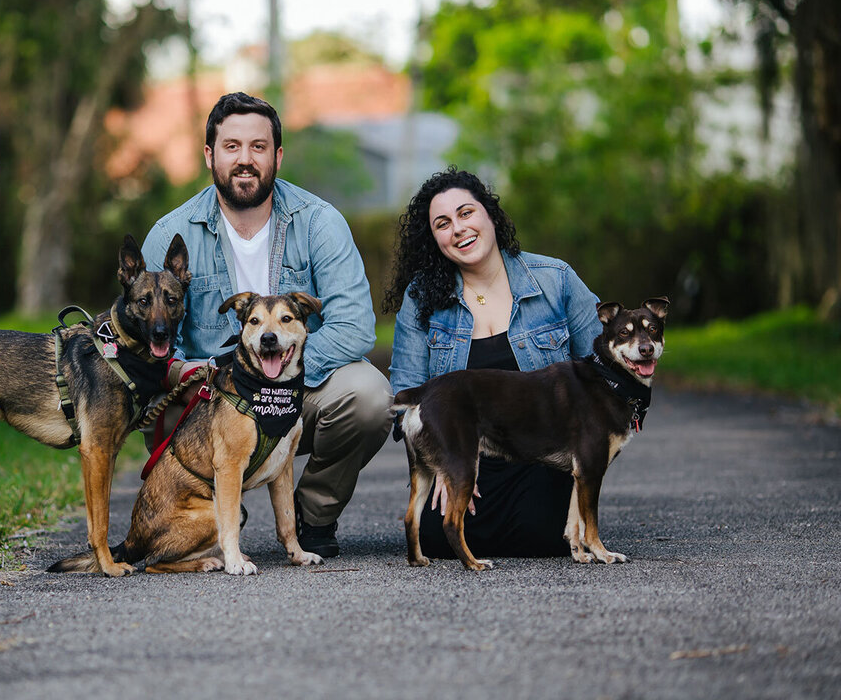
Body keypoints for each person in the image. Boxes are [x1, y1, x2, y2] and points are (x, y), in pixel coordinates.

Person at [141, 91, 393, 558]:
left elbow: (357, 326)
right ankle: (200, 520)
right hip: (209, 401)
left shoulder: (320, 223)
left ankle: (311, 517)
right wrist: (184, 372)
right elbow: (145, 338)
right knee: (161, 399)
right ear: (209, 154)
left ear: (277, 155)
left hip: (300, 391)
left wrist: (277, 372)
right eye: (231, 146)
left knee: (369, 395)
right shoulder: (170, 235)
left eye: (258, 147)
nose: (245, 159)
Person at [384, 167, 601, 558]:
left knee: (541, 533)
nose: (458, 229)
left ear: (490, 215)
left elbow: (604, 373)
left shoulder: (556, 281)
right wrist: (443, 461)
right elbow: (404, 401)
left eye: (466, 213)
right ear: (434, 239)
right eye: (443, 223)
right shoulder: (421, 299)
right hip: (463, 457)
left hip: (540, 458)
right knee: (436, 537)